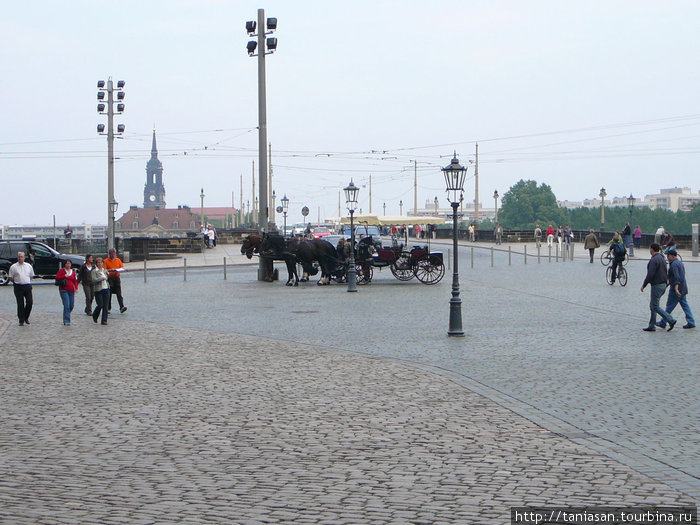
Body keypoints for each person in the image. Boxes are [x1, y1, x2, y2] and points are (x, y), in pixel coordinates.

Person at [655, 248, 695, 330]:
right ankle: (691, 322)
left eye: (668, 256)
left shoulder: (673, 265)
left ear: (672, 256)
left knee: (669, 306)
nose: (667, 258)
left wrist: (676, 289)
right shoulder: (680, 263)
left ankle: (663, 322)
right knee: (685, 305)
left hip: (676, 289)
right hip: (683, 288)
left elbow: (677, 277)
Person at [640, 243, 676, 332]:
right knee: (653, 305)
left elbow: (650, 274)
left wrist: (644, 284)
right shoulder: (662, 258)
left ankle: (670, 320)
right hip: (663, 284)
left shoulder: (654, 260)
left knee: (655, 306)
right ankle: (652, 325)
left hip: (657, 285)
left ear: (652, 249)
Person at [8, 251, 35, 326]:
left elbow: (31, 276)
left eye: (21, 256)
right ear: (17, 257)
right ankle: (21, 319)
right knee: (20, 304)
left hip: (27, 285)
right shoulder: (13, 267)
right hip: (18, 286)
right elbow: (10, 277)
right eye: (19, 257)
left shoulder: (28, 266)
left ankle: (26, 316)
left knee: (30, 302)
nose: (20, 258)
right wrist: (16, 281)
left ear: (24, 257)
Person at [55, 259, 79, 326]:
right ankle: (66, 320)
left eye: (69, 263)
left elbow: (75, 281)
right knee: (66, 305)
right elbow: (57, 277)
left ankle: (66, 313)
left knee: (71, 305)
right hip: (63, 290)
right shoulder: (61, 271)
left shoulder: (73, 272)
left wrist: (76, 288)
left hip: (71, 290)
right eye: (67, 263)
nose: (68, 265)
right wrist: (64, 276)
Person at [104, 249, 127, 313]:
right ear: (109, 254)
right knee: (109, 293)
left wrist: (117, 270)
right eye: (112, 253)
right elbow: (104, 270)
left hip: (116, 277)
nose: (113, 255)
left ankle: (121, 307)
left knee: (119, 293)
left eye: (114, 254)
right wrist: (111, 270)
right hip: (110, 278)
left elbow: (122, 267)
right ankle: (108, 308)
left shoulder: (118, 260)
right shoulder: (106, 261)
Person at [92, 257, 110, 325]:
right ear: (96, 264)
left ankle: (104, 320)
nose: (100, 264)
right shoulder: (94, 271)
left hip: (106, 288)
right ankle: (95, 315)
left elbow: (107, 278)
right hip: (98, 289)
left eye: (101, 262)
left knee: (106, 305)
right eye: (98, 262)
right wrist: (101, 278)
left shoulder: (104, 270)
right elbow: (94, 280)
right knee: (100, 304)